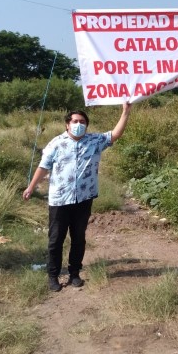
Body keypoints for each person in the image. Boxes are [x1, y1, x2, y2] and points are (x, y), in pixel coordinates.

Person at [23, 102, 132, 292]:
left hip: (83, 198)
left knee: (78, 238)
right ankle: (53, 275)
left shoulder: (94, 141)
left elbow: (115, 134)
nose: (78, 124)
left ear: (87, 125)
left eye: (82, 121)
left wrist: (125, 112)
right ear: (67, 124)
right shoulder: (56, 143)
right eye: (75, 121)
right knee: (55, 239)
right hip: (59, 199)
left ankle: (74, 273)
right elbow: (44, 167)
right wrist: (31, 187)